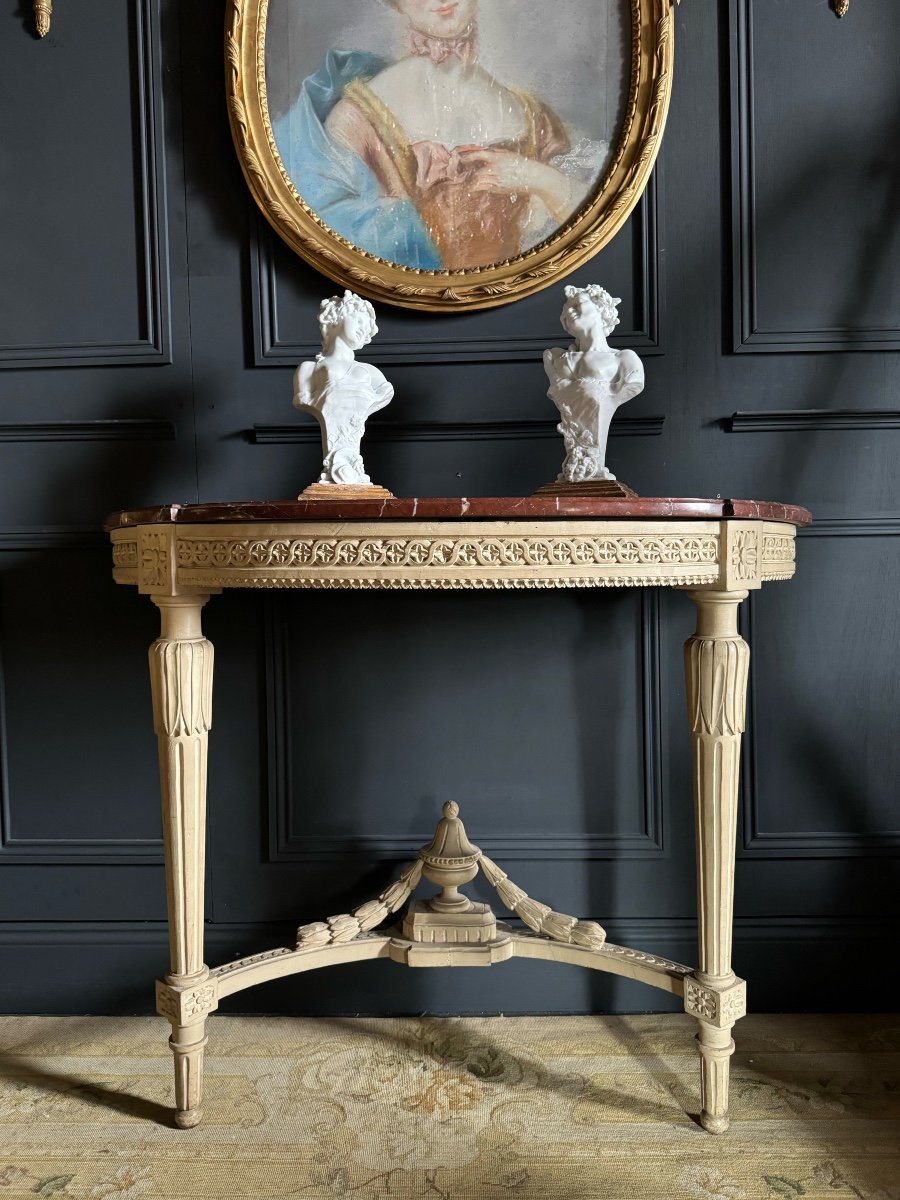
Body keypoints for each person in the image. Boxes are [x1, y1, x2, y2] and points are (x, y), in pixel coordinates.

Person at [272, 0, 603, 269]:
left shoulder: (536, 118)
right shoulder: (356, 119)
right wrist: (398, 205)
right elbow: (334, 249)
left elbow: (580, 238)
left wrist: (534, 177)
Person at [543, 284, 644, 484]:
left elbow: (633, 384)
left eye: (577, 304)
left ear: (601, 308)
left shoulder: (623, 359)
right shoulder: (554, 358)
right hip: (574, 446)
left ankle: (594, 467)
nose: (569, 311)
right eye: (565, 310)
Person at [294, 291, 394, 486]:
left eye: (367, 327)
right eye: (358, 320)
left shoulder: (374, 375)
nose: (362, 330)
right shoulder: (308, 371)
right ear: (337, 317)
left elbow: (384, 393)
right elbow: (302, 398)